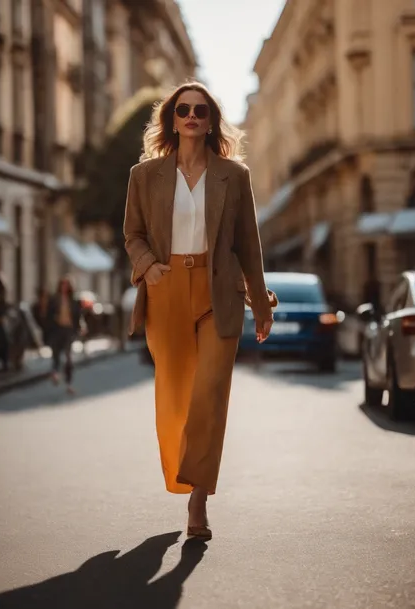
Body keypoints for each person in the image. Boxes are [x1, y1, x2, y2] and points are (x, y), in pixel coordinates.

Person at [123, 82, 276, 541]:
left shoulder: (234, 175)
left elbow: (249, 245)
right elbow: (133, 233)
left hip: (219, 292)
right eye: (184, 109)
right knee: (174, 397)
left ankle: (198, 500)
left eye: (201, 110)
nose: (192, 116)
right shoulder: (143, 175)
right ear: (172, 119)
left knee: (209, 394)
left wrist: (261, 300)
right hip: (167, 290)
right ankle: (182, 477)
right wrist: (148, 268)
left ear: (211, 121)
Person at [47, 276, 83, 395]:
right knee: (56, 355)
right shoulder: (54, 299)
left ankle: (69, 384)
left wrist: (79, 328)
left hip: (68, 330)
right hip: (57, 330)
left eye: (66, 285)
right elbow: (48, 315)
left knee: (68, 358)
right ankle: (55, 373)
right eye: (62, 285)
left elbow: (78, 316)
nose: (64, 287)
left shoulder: (73, 300)